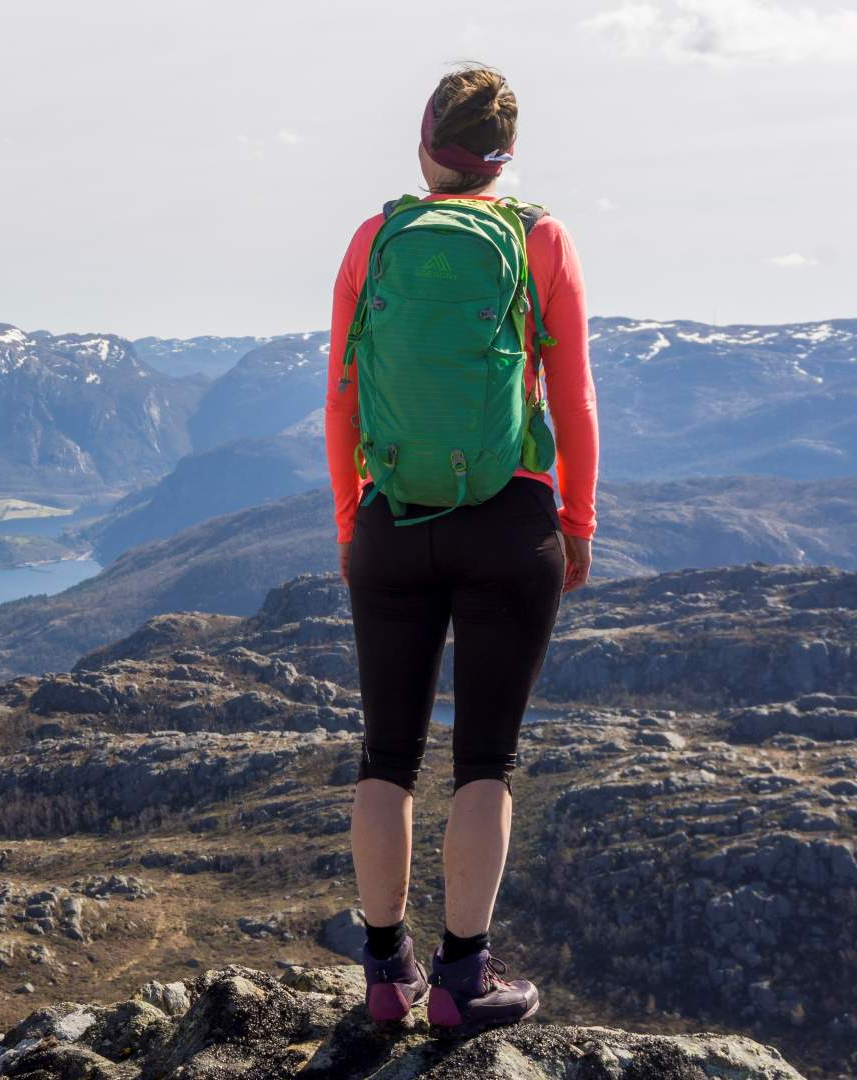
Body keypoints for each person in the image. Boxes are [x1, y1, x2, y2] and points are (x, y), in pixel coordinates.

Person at [323, 64, 599, 1028]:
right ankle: (462, 979)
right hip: (509, 519)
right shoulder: (539, 238)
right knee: (485, 760)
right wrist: (577, 523)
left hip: (393, 520)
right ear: (504, 156)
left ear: (426, 143)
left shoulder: (376, 238)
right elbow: (574, 400)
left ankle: (385, 974)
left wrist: (357, 521)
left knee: (386, 756)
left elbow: (343, 398)